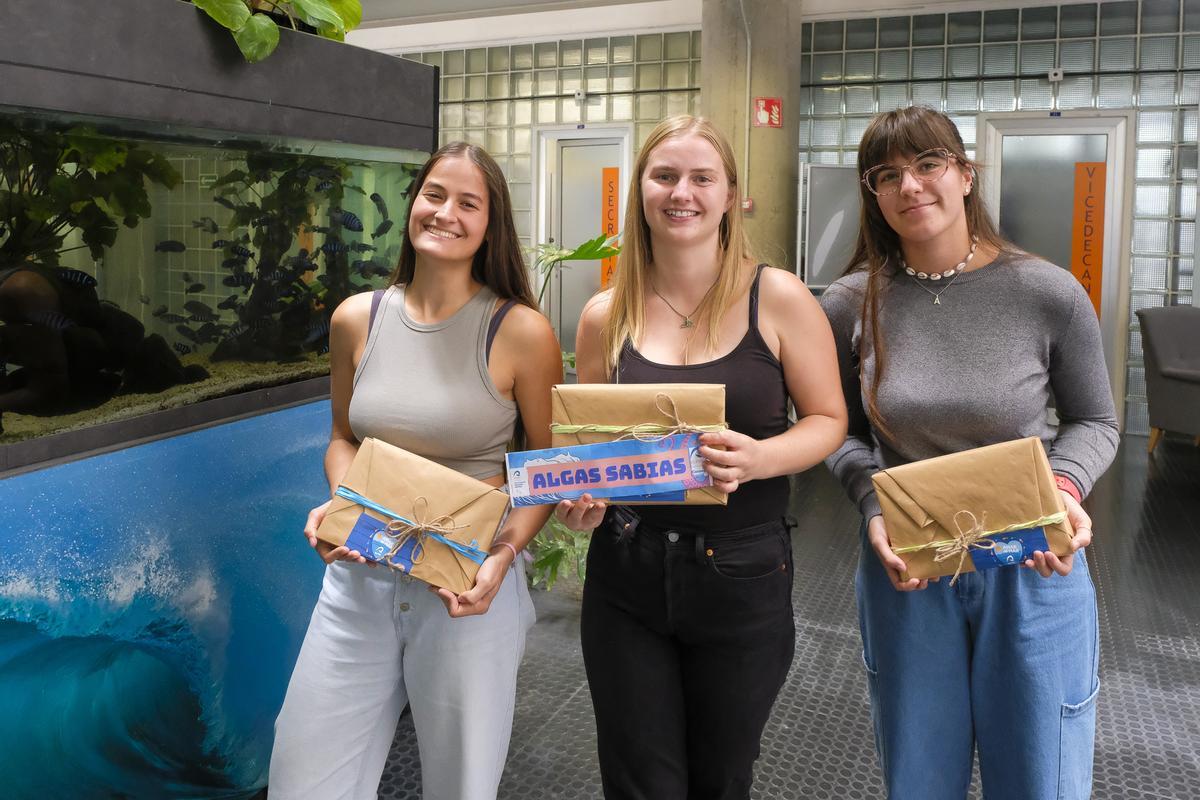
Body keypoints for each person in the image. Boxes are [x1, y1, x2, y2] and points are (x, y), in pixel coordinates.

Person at [819, 105, 1119, 799]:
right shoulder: (848, 304)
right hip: (910, 565)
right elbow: (833, 426)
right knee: (920, 777)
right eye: (887, 175)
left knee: (1041, 776)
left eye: (928, 165)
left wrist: (1065, 491)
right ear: (872, 195)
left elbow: (1096, 421)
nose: (911, 186)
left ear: (964, 174)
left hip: (1032, 560)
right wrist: (871, 504)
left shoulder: (1045, 291)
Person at [555, 115, 847, 799]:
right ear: (641, 191)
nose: (680, 192)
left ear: (729, 196)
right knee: (637, 780)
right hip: (627, 571)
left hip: (742, 573)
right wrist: (581, 504)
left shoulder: (777, 296)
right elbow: (592, 448)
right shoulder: (606, 313)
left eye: (700, 177)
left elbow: (830, 420)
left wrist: (760, 458)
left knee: (721, 778)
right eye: (664, 176)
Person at [269, 142, 562, 800]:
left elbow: (545, 468)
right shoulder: (356, 319)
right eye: (434, 194)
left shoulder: (520, 332)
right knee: (301, 779)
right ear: (413, 204)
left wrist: (505, 554)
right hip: (358, 581)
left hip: (464, 591)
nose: (445, 213)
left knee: (461, 786)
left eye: (468, 202)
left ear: (491, 223)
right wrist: (343, 502)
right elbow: (342, 437)